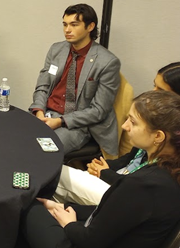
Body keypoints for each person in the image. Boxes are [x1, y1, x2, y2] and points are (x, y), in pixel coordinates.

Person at [0, 90, 180, 248]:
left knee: (26, 205)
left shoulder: (143, 185)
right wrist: (66, 208)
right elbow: (114, 215)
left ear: (158, 136)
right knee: (44, 208)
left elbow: (90, 241)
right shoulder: (167, 173)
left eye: (133, 122)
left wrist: (69, 223)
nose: (125, 126)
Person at [55, 65, 180, 205]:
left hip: (126, 193)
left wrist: (105, 173)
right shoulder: (153, 126)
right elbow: (130, 159)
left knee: (55, 176)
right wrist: (103, 166)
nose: (152, 93)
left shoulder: (170, 148)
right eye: (154, 86)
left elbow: (141, 187)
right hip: (119, 178)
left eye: (160, 90)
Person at [29, 4, 121, 155]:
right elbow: (43, 86)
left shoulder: (107, 62)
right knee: (16, 139)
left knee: (40, 152)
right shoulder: (56, 50)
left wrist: (60, 121)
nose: (67, 30)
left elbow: (99, 110)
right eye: (65, 24)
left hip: (76, 124)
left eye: (74, 24)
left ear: (90, 26)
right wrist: (39, 112)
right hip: (47, 113)